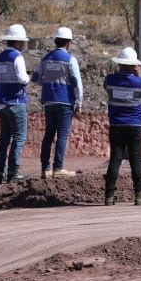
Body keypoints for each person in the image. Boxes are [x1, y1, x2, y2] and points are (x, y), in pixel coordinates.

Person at [103, 47, 141, 206]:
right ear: (134, 65)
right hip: (136, 126)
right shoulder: (139, 82)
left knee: (115, 159)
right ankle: (139, 196)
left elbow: (107, 88)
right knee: (135, 160)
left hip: (116, 125)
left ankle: (109, 197)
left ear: (119, 64)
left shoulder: (109, 80)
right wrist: (138, 75)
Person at [33, 26, 84, 179]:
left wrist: (48, 84)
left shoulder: (46, 59)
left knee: (48, 134)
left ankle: (45, 169)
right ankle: (59, 168)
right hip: (64, 101)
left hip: (49, 101)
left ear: (56, 41)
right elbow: (77, 83)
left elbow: (35, 78)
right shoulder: (70, 60)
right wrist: (79, 102)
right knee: (62, 134)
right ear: (68, 43)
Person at [0, 23, 31, 184]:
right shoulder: (17, 57)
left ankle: (0, 172)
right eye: (22, 41)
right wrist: (30, 78)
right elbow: (22, 78)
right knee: (19, 137)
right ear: (17, 42)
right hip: (15, 101)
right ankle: (13, 172)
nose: (24, 44)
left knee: (4, 139)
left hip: (1, 104)